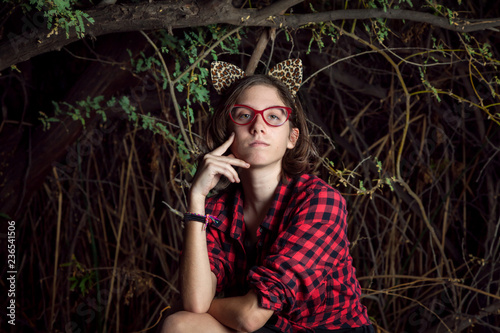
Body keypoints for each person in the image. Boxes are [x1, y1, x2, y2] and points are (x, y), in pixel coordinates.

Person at [162, 59, 373, 333]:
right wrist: (196, 198)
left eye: (273, 116)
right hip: (272, 329)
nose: (258, 126)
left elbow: (249, 316)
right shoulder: (218, 210)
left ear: (292, 138)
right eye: (243, 115)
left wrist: (207, 306)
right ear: (228, 132)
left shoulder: (321, 201)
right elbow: (194, 302)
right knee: (180, 325)